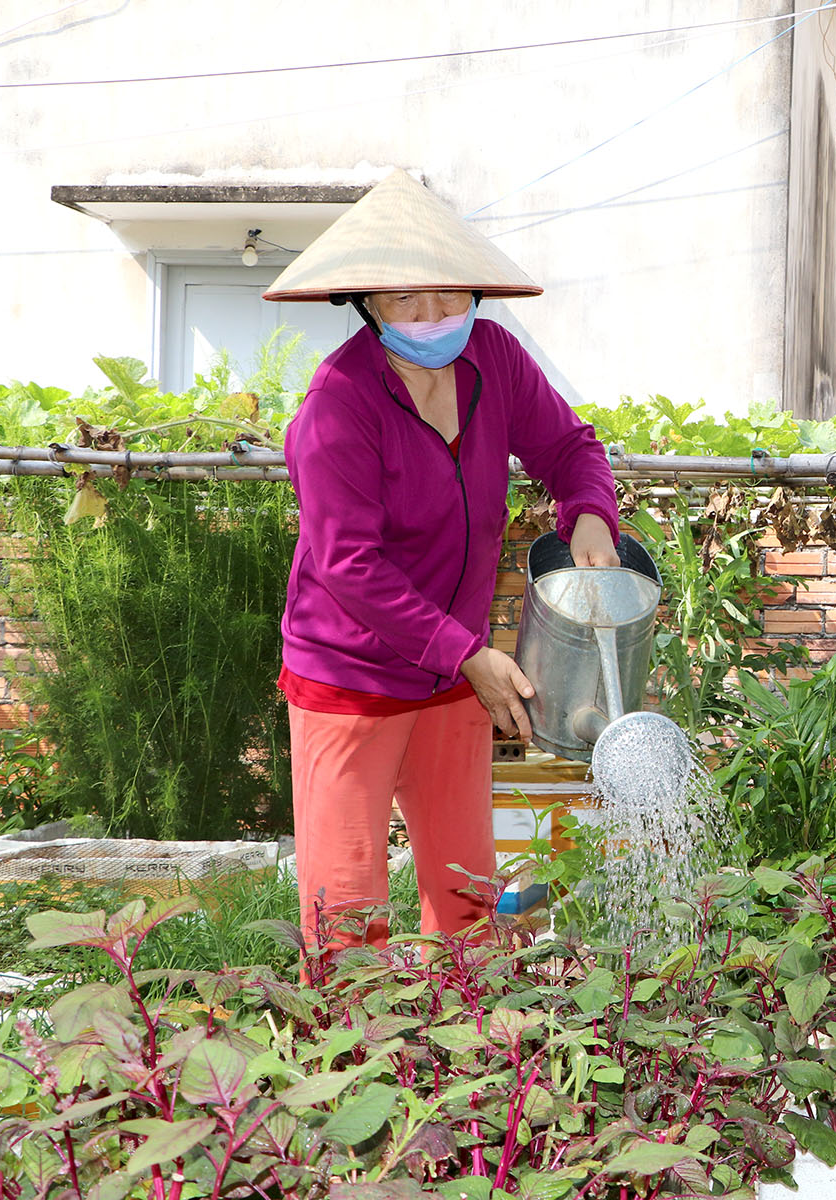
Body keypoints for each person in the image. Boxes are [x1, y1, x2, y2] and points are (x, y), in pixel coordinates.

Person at [261, 169, 620, 952]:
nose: (434, 317)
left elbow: (569, 447)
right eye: (405, 302)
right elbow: (350, 565)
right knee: (348, 909)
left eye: (450, 298)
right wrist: (469, 654)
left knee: (468, 895)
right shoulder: (337, 407)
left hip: (453, 674)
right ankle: (350, 1064)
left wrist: (590, 513)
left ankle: (475, 1057)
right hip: (348, 681)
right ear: (366, 306)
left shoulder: (493, 358)